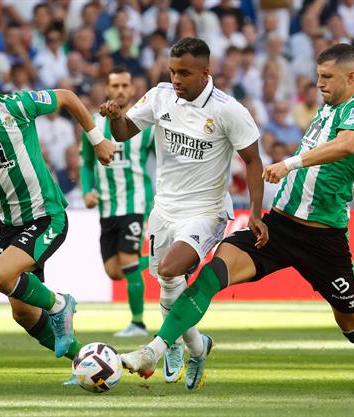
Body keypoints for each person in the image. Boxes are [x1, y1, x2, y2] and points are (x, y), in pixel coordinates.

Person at [120, 43, 354, 389]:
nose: (319, 83)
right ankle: (155, 350)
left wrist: (290, 163)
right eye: (318, 75)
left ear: (351, 77)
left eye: (327, 77)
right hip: (279, 225)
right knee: (211, 275)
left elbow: (348, 144)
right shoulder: (342, 107)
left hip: (324, 237)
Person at [99, 37, 266, 391]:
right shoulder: (160, 96)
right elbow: (126, 132)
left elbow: (252, 161)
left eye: (185, 73)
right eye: (173, 71)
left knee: (172, 269)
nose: (176, 79)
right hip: (165, 208)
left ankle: (162, 345)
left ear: (206, 72)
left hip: (205, 211)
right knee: (167, 281)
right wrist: (116, 118)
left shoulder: (228, 110)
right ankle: (195, 345)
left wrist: (255, 213)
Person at [0, 50, 115, 372]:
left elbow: (67, 97)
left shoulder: (16, 107)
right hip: (10, 225)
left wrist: (97, 139)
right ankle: (87, 363)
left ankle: (60, 304)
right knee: (22, 314)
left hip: (46, 215)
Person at [82, 66, 155, 337]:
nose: (121, 90)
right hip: (106, 206)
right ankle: (165, 261)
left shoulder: (144, 124)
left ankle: (138, 323)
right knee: (115, 271)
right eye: (116, 86)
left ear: (133, 89)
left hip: (136, 203)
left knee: (127, 259)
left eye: (126, 85)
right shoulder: (92, 123)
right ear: (107, 89)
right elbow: (87, 163)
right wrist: (87, 191)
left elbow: (162, 160)